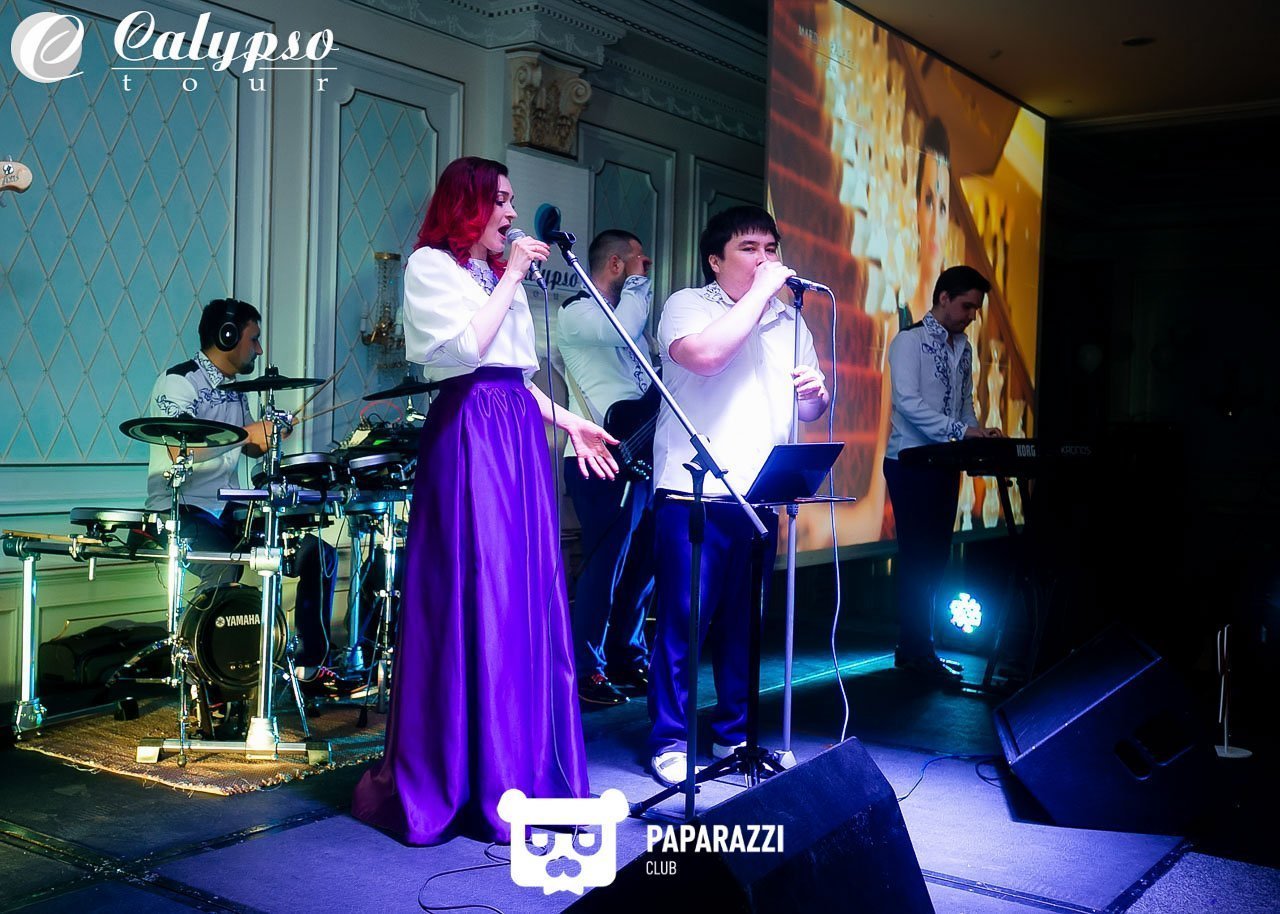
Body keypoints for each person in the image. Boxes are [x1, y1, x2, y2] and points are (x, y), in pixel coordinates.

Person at [351, 156, 619, 846]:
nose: (512, 213)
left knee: (521, 594)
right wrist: (513, 279)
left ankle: (519, 767)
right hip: (470, 429)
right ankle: (464, 774)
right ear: (467, 204)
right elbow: (468, 352)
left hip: (517, 430)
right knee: (476, 591)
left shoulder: (493, 275)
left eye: (512, 199)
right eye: (500, 200)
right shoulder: (431, 267)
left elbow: (514, 376)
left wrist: (570, 421)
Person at [646, 206, 829, 786]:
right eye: (749, 248)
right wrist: (763, 294)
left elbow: (808, 411)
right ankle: (669, 740)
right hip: (692, 494)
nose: (765, 259)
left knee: (744, 628)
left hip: (760, 495)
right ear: (715, 260)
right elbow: (706, 357)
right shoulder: (687, 305)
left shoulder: (789, 320)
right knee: (684, 623)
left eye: (771, 248)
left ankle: (735, 735)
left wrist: (816, 394)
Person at [143, 299, 342, 694]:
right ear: (227, 336)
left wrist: (268, 435)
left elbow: (248, 446)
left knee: (318, 555)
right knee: (224, 567)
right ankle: (206, 679)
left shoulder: (235, 389)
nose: (259, 349)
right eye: (254, 339)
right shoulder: (178, 382)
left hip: (227, 506)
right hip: (178, 509)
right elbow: (182, 448)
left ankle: (309, 665)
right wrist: (246, 434)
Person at [884, 265, 1002, 682]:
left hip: (944, 462)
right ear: (944, 298)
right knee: (919, 558)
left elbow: (964, 404)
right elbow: (907, 403)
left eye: (976, 308)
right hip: (910, 461)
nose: (972, 315)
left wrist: (977, 433)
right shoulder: (908, 341)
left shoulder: (964, 347)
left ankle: (917, 648)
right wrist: (961, 431)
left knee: (934, 558)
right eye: (967, 306)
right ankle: (916, 649)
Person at [557, 229, 656, 708]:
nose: (646, 268)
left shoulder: (627, 316)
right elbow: (624, 330)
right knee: (606, 565)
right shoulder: (576, 312)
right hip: (596, 457)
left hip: (642, 452)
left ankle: (627, 655)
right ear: (616, 264)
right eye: (639, 261)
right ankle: (586, 668)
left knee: (645, 562)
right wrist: (637, 285)